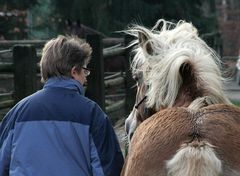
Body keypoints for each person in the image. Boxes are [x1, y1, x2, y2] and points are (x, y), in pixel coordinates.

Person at [0, 35, 124, 176]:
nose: (85, 77)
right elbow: (108, 170)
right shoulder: (92, 114)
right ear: (74, 72)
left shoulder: (17, 113)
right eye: (85, 71)